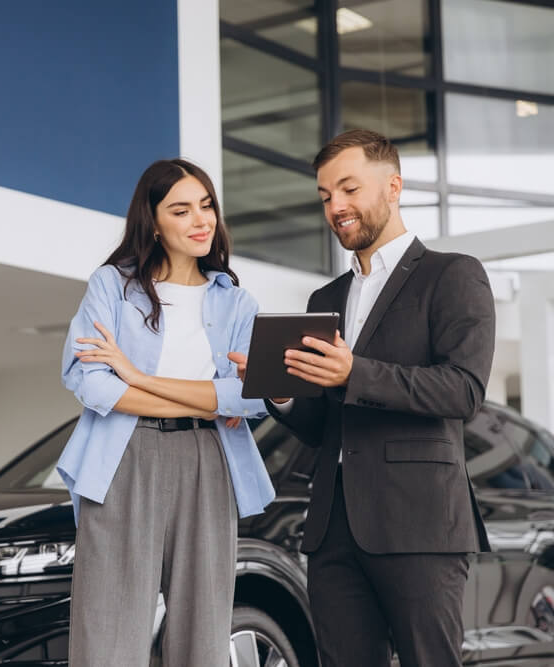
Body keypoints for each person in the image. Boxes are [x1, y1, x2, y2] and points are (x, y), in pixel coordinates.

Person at [231, 129, 495, 667]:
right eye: (326, 196)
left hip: (420, 524)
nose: (336, 207)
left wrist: (356, 373)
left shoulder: (452, 275)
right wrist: (281, 393)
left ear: (393, 186)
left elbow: (464, 389)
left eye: (349, 189)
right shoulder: (324, 298)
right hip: (332, 531)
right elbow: (322, 424)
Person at [57, 158, 274, 666]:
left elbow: (251, 397)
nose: (201, 220)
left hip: (209, 459)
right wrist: (208, 398)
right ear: (153, 222)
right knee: (108, 629)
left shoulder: (238, 302)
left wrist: (136, 377)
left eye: (207, 206)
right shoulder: (111, 286)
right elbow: (92, 383)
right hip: (124, 456)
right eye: (181, 210)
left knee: (204, 629)